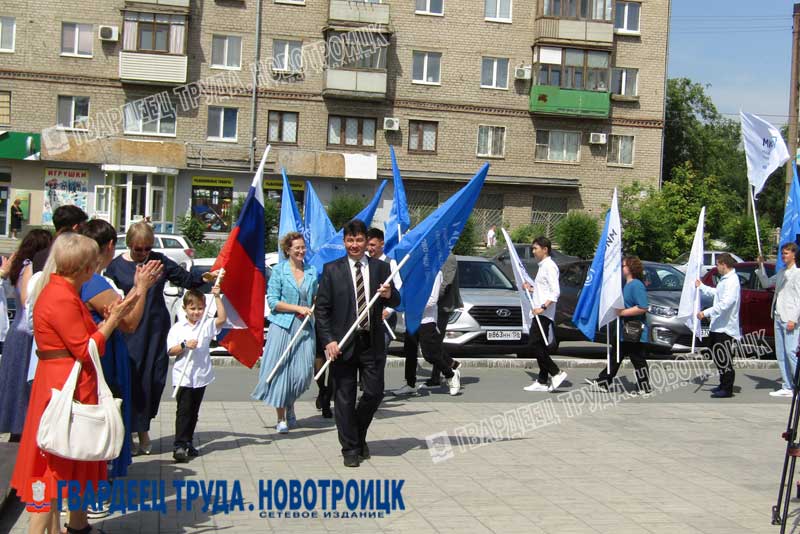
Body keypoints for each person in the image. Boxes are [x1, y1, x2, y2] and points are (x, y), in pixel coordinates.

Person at [10, 233, 137, 534]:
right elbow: (85, 347)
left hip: (59, 380)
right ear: (85, 268)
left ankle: (66, 527)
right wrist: (111, 320)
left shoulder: (56, 290)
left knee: (59, 463)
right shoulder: (61, 297)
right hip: (63, 383)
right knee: (49, 467)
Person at [105, 221, 206, 455]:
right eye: (138, 249)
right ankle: (129, 431)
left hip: (156, 329)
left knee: (153, 380)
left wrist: (207, 278)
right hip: (129, 330)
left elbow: (186, 280)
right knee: (129, 379)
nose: (142, 254)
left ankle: (143, 428)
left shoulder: (158, 261)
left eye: (147, 249)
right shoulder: (115, 267)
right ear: (129, 245)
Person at [79, 220, 163, 478]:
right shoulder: (93, 282)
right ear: (112, 246)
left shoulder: (69, 276)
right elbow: (129, 322)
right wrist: (141, 288)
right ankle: (96, 479)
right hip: (103, 358)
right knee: (102, 418)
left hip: (92, 356)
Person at [315, 219, 400, 467]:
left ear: (366, 242)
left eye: (359, 240)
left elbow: (395, 300)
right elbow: (322, 310)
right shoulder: (332, 270)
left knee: (374, 393)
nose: (355, 245)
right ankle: (350, 448)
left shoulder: (380, 269)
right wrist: (328, 340)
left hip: (371, 342)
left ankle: (358, 433)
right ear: (344, 242)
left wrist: (389, 294)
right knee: (344, 397)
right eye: (350, 240)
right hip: (342, 344)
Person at [252, 232, 318, 433]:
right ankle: (281, 417)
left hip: (305, 327)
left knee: (303, 374)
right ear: (287, 250)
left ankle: (290, 403)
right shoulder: (279, 271)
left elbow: (315, 296)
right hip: (282, 326)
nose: (300, 251)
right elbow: (273, 302)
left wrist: (315, 303)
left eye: (303, 247)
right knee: (280, 373)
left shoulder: (312, 271)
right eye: (296, 247)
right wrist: (297, 308)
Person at [0, 229, 52, 439]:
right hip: (25, 335)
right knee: (21, 386)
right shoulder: (28, 268)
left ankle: (19, 430)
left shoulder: (21, 267)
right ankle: (19, 430)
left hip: (18, 332)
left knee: (17, 385)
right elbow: (26, 301)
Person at [167, 285, 227, 462]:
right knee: (183, 411)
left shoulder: (206, 325)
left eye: (200, 308)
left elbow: (222, 319)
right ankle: (179, 444)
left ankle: (188, 441)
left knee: (194, 411)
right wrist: (185, 346)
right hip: (183, 377)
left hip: (201, 376)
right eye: (192, 308)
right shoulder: (178, 328)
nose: (196, 312)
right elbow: (171, 350)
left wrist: (217, 297)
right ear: (185, 308)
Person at [585, 256, 651, 394]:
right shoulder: (627, 284)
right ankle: (604, 381)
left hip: (634, 330)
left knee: (637, 358)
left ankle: (644, 386)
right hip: (624, 329)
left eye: (623, 266)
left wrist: (622, 312)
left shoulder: (636, 285)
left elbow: (643, 307)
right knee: (616, 355)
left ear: (631, 268)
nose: (621, 268)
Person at [523, 236, 567, 392]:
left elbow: (555, 292)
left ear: (545, 249)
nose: (533, 251)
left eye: (535, 248)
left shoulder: (550, 266)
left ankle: (556, 372)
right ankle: (542, 380)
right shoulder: (543, 266)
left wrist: (542, 307)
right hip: (538, 312)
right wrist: (531, 289)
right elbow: (544, 289)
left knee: (534, 344)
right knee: (540, 345)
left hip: (543, 314)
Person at [757, 244, 800, 397]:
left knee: (791, 353)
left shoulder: (798, 274)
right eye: (782, 253)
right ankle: (788, 386)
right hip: (778, 316)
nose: (783, 256)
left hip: (790, 318)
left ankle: (797, 386)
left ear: (794, 255)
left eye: (786, 253)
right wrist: (761, 266)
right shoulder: (782, 272)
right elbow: (766, 283)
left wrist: (794, 319)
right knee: (781, 354)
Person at [695, 253, 740, 398]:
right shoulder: (725, 280)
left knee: (724, 358)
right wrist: (702, 287)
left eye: (717, 264)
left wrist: (706, 313)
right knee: (719, 357)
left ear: (724, 264)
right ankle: (722, 384)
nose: (716, 267)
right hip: (718, 326)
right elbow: (718, 294)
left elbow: (726, 303)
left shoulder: (732, 280)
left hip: (726, 327)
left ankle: (727, 388)